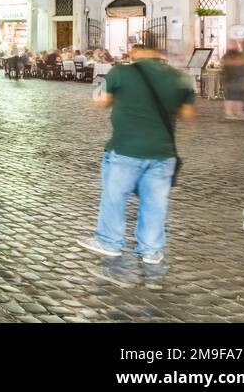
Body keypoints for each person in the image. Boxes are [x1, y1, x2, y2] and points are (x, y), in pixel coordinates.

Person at [79, 45, 195, 266]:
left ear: (134, 53)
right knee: (155, 203)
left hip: (125, 149)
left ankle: (110, 241)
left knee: (115, 196)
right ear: (160, 54)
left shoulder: (121, 73)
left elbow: (102, 101)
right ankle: (151, 250)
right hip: (163, 153)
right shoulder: (180, 78)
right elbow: (188, 114)